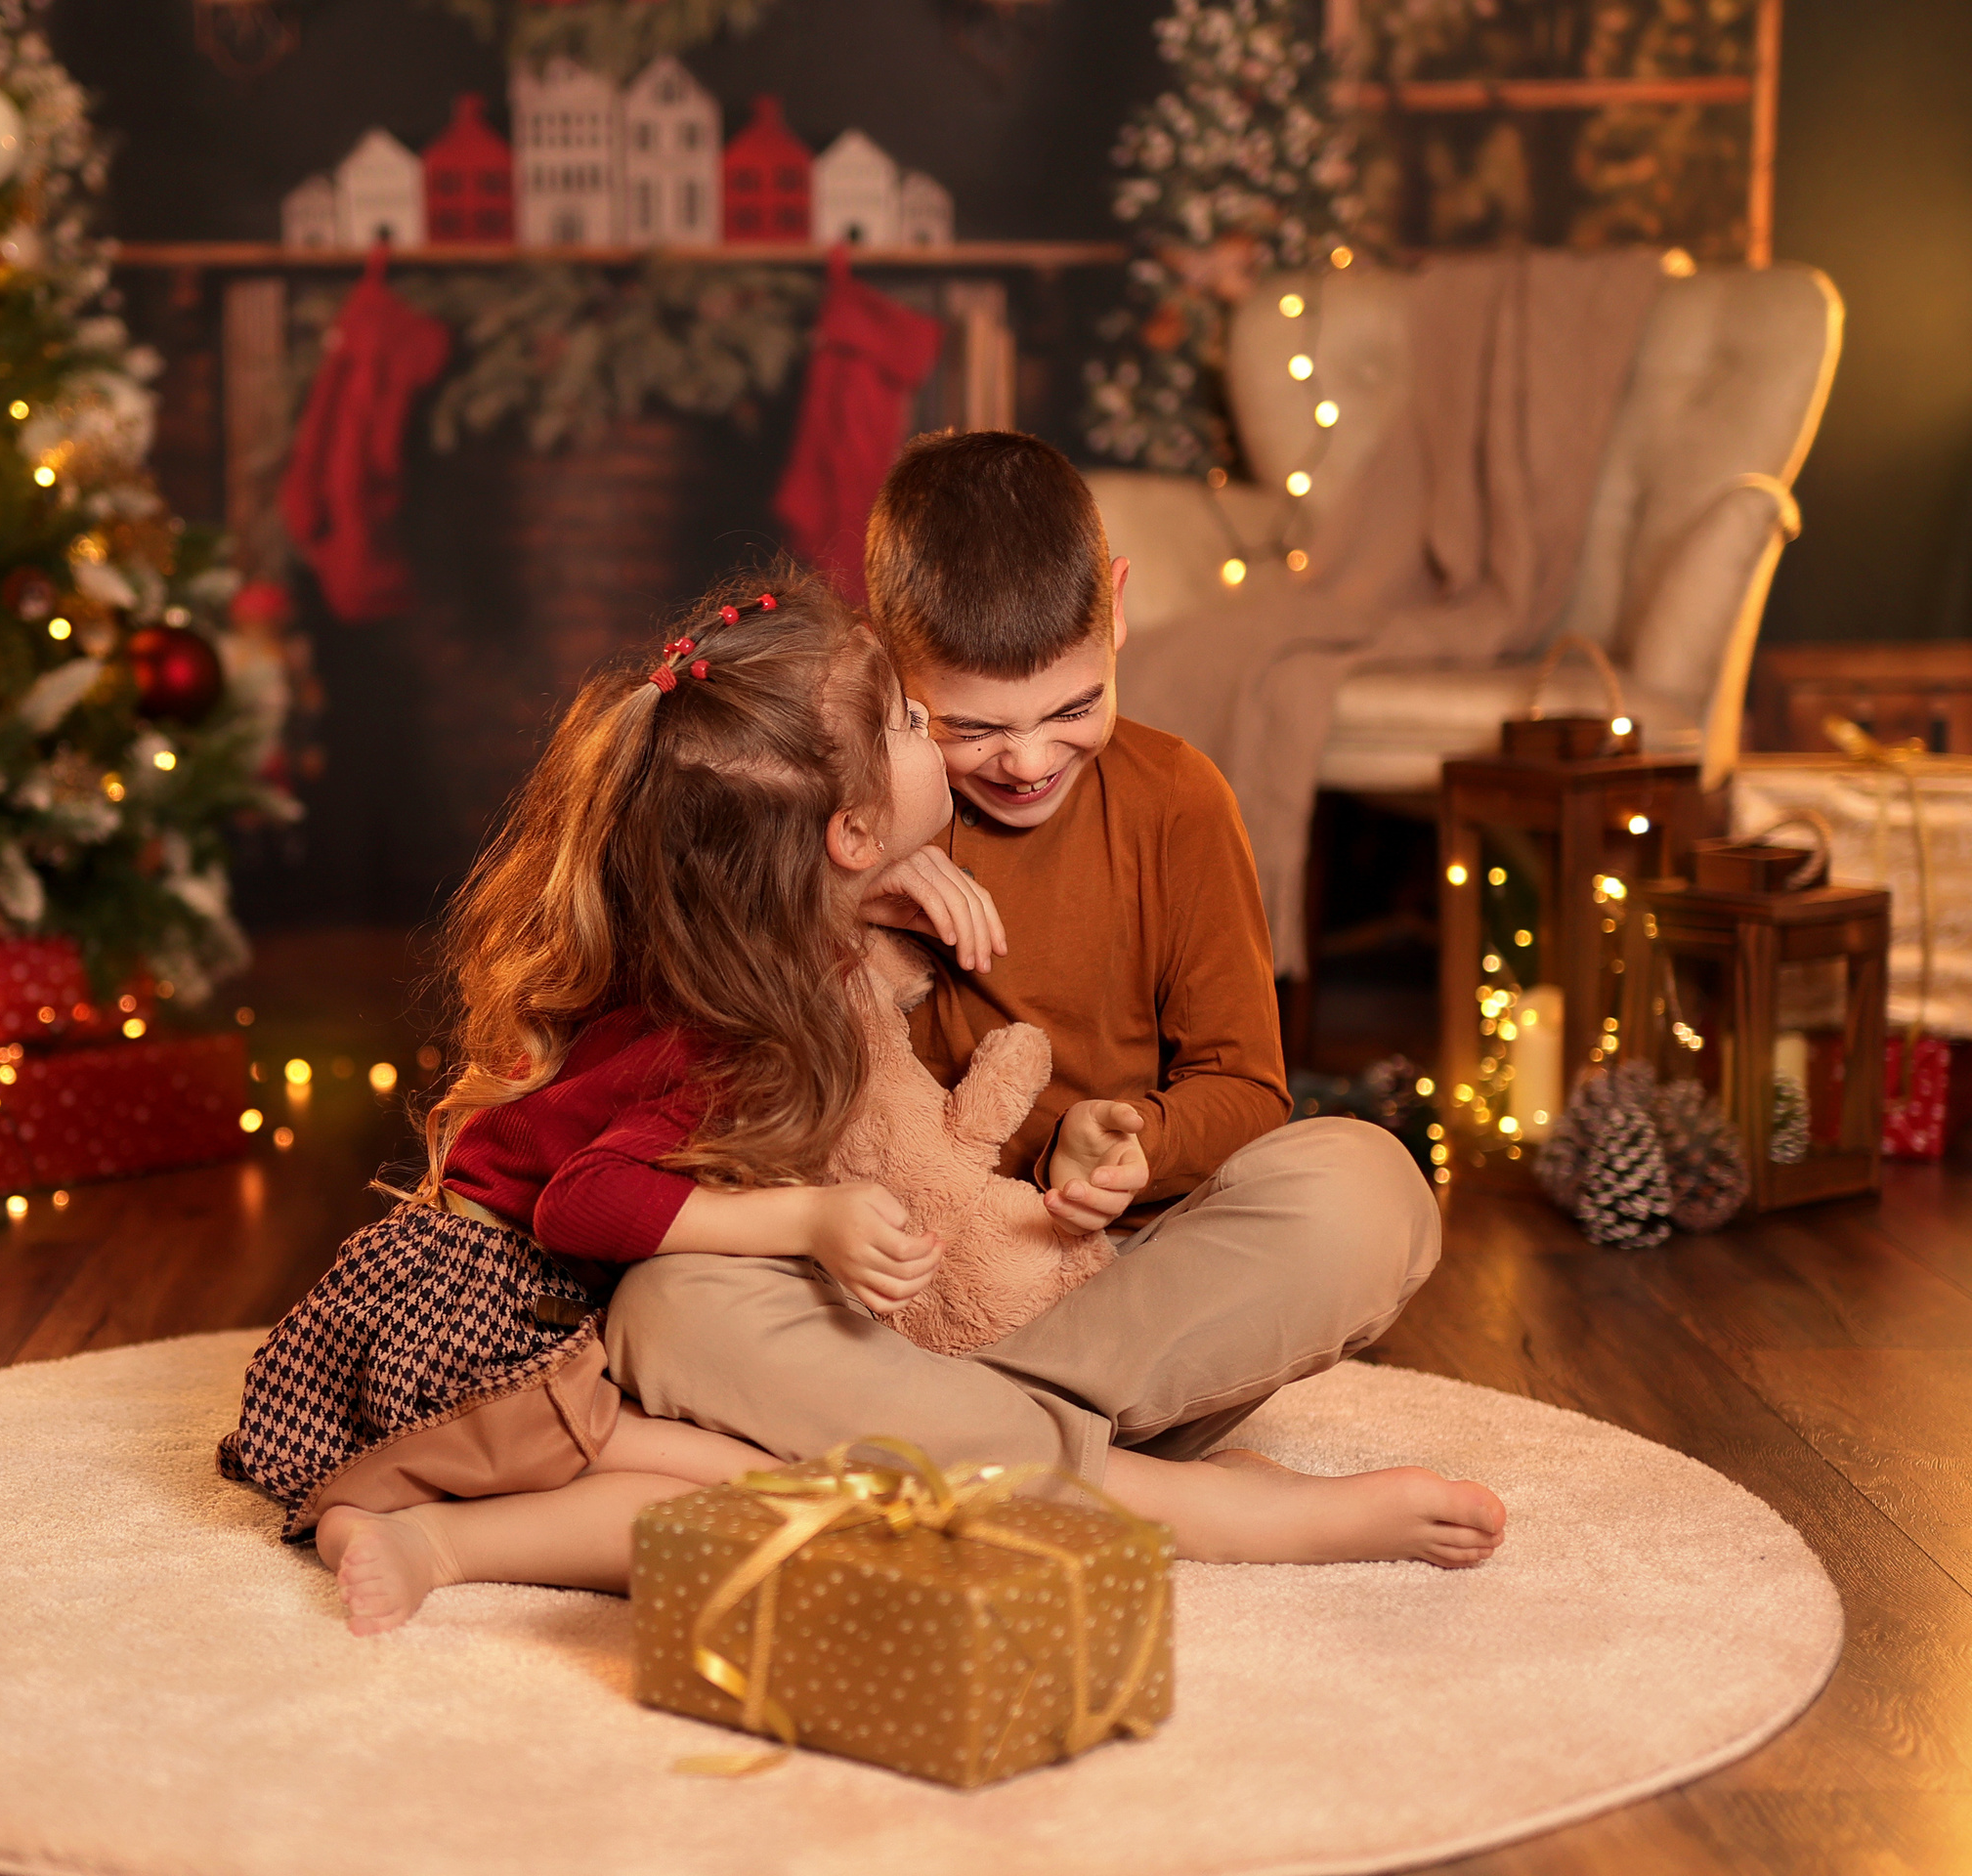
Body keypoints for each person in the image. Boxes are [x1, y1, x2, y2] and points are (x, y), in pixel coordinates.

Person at [605, 434, 1507, 1569]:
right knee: (665, 1307)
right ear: (883, 662)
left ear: (1116, 608)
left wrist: (1133, 1141)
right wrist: (844, 903)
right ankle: (1180, 1504)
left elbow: (1246, 1087)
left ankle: (934, 1451)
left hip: (1107, 1303)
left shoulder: (1175, 800)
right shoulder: (833, 805)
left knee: (1369, 1190)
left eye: (1072, 707)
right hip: (882, 1296)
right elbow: (709, 1048)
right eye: (972, 727)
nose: (1028, 760)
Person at [220, 569, 958, 1634]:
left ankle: (368, 1505)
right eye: (908, 722)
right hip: (488, 1322)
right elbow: (583, 1204)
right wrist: (809, 1219)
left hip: (456, 1298)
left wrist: (873, 893)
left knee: (739, 1478)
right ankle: (432, 1537)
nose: (934, 727)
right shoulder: (714, 1035)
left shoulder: (719, 953)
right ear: (846, 834)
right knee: (765, 1487)